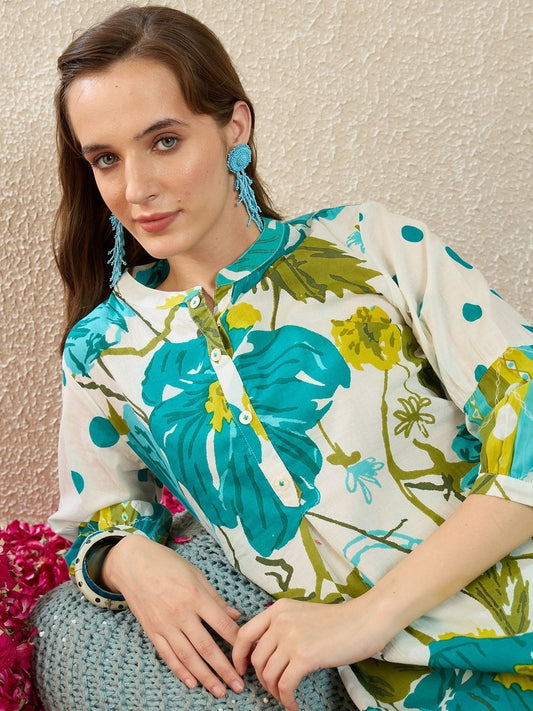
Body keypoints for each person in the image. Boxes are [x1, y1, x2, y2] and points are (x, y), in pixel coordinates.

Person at [48, 5, 533, 711]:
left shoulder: (372, 245)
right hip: (416, 696)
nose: (136, 189)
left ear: (234, 128)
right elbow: (99, 514)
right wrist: (124, 557)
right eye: (105, 159)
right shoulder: (101, 350)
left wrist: (367, 616)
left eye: (165, 141)